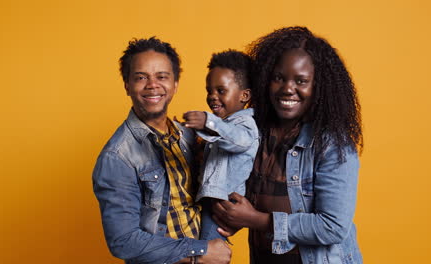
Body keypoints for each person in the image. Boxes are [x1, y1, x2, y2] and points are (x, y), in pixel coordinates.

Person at [212, 27, 364, 263]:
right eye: (279, 78)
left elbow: (333, 226)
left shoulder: (332, 145)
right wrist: (234, 218)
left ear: (318, 87)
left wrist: (255, 220)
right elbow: (248, 192)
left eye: (301, 81)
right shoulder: (255, 132)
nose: (287, 89)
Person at [92, 37, 231, 264]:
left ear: (175, 84)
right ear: (127, 85)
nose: (152, 85)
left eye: (162, 76)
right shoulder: (117, 157)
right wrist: (200, 251)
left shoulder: (188, 136)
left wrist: (227, 222)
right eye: (141, 77)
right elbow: (124, 241)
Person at [182, 50, 259, 240]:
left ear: (244, 95)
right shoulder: (223, 126)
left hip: (224, 206)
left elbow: (237, 141)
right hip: (209, 200)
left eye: (221, 91)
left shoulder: (244, 125)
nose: (212, 96)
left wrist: (209, 122)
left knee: (209, 253)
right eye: (209, 91)